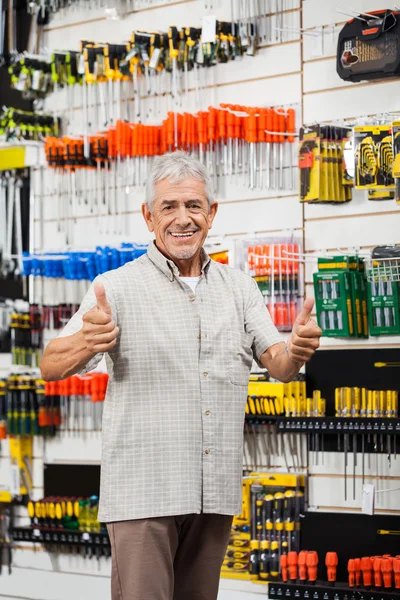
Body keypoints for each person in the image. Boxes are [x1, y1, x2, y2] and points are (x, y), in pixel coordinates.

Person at [40, 151, 322, 600]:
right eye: (168, 207)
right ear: (148, 217)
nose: (182, 218)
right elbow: (49, 365)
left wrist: (298, 349)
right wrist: (87, 343)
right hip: (144, 494)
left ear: (211, 214)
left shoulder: (240, 288)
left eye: (193, 205)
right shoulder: (118, 287)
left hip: (214, 494)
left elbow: (280, 365)